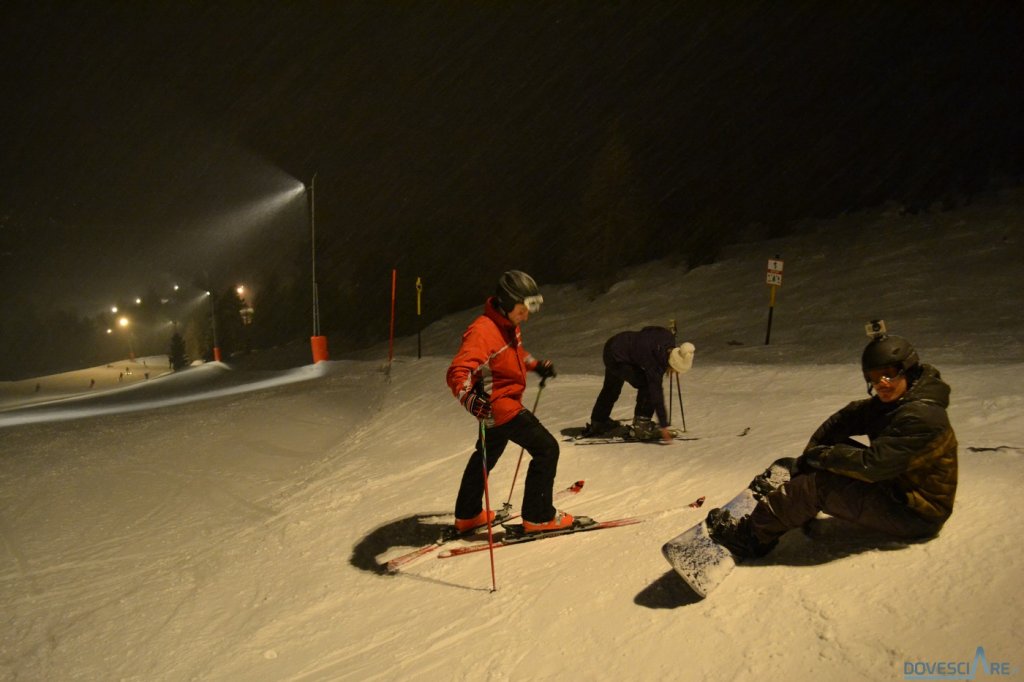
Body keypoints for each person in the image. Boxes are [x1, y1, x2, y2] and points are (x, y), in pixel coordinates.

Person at [706, 330, 958, 558]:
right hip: (898, 484)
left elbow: (873, 466)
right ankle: (787, 499)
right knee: (798, 466)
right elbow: (849, 417)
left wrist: (821, 458)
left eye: (889, 374)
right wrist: (810, 456)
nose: (882, 383)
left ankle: (751, 537)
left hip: (916, 512)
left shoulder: (921, 415)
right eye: (874, 377)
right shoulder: (900, 401)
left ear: (908, 370)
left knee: (818, 486)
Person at [446, 270, 568, 534]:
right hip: (500, 406)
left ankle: (468, 515)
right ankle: (539, 517)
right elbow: (458, 372)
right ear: (505, 302)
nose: (527, 316)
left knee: (485, 457)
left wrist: (535, 365)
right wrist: (470, 399)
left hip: (495, 408)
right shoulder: (482, 331)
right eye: (522, 310)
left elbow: (515, 353)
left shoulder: (507, 325)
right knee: (547, 449)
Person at [583, 327, 695, 441]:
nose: (674, 373)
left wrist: (639, 345)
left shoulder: (668, 337)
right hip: (617, 357)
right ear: (671, 364)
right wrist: (664, 425)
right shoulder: (655, 364)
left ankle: (599, 421)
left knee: (612, 387)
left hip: (615, 344)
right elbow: (656, 395)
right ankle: (642, 426)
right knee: (647, 384)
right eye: (675, 370)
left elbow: (647, 330)